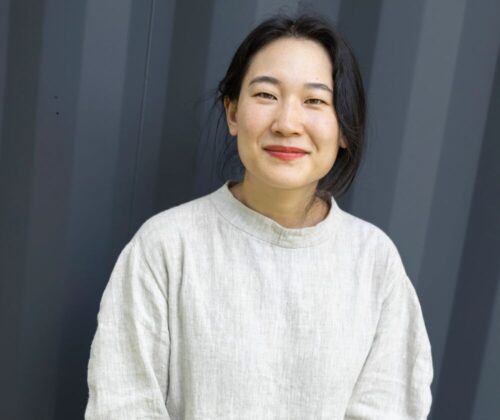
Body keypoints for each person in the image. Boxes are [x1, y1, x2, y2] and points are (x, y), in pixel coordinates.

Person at [85, 13, 433, 420]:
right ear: (233, 112)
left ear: (343, 128)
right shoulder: (166, 246)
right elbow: (122, 404)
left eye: (315, 100)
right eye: (266, 95)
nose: (287, 123)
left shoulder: (375, 261)